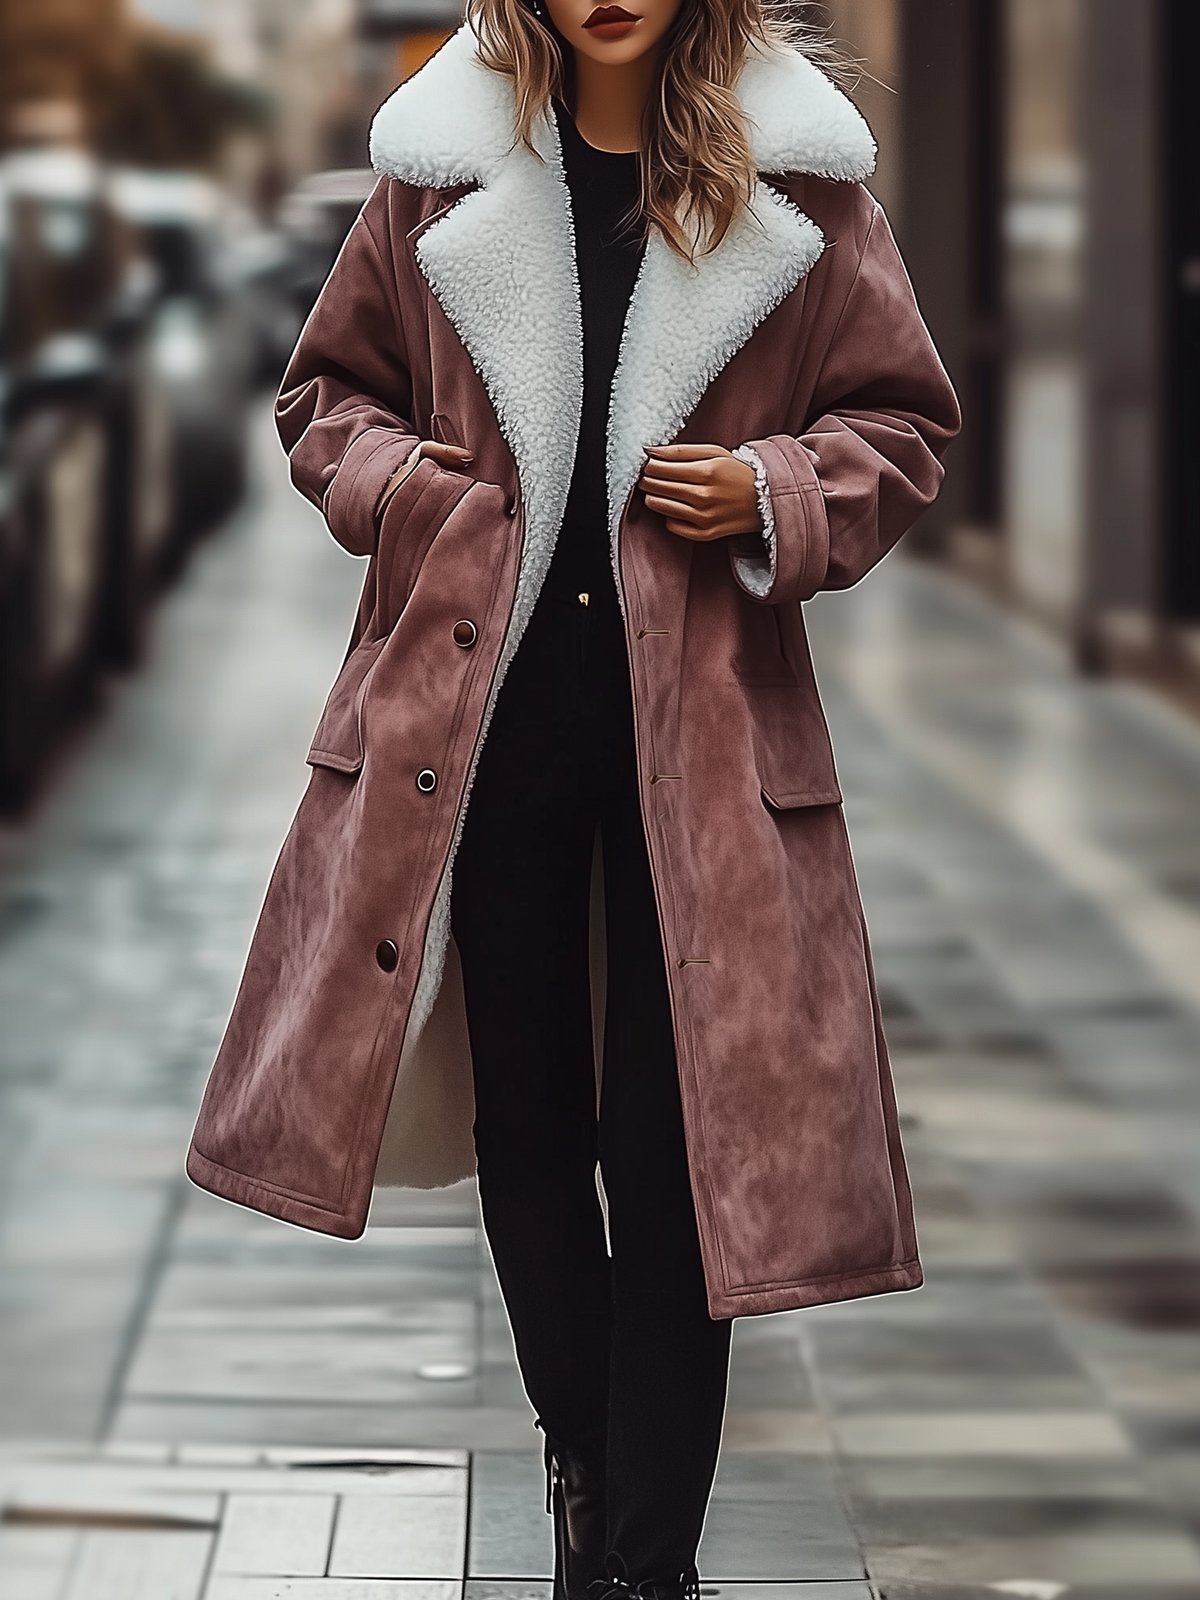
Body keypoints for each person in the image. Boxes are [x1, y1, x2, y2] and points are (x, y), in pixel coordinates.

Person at [184, 3, 962, 1597]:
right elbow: (322, 400)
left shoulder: (801, 183)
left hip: (708, 752)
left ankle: (643, 1563)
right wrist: (409, 487)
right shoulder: (442, 169)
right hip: (478, 737)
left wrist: (773, 491)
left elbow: (903, 422)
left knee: (682, 1153)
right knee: (530, 1128)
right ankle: (591, 1454)